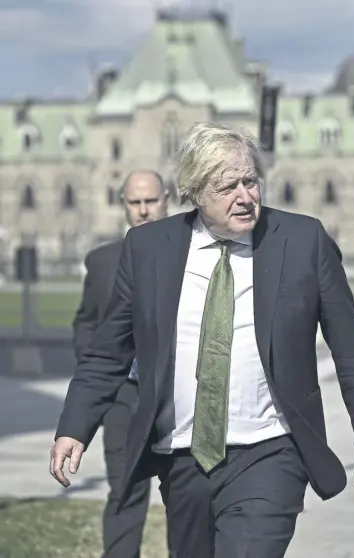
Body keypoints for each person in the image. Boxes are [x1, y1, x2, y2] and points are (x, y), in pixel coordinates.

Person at [50, 122, 354, 558]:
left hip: (272, 449)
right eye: (227, 186)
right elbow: (107, 353)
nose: (245, 196)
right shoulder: (148, 249)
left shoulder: (302, 240)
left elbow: (350, 348)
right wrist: (75, 428)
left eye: (250, 181)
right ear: (195, 192)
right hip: (182, 456)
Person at [72, 170, 169, 558]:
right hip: (124, 398)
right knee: (124, 492)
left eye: (151, 201)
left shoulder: (197, 258)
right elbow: (85, 323)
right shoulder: (101, 263)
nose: (144, 211)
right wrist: (100, 373)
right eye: (135, 203)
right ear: (124, 206)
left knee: (186, 498)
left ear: (168, 199)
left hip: (177, 397)